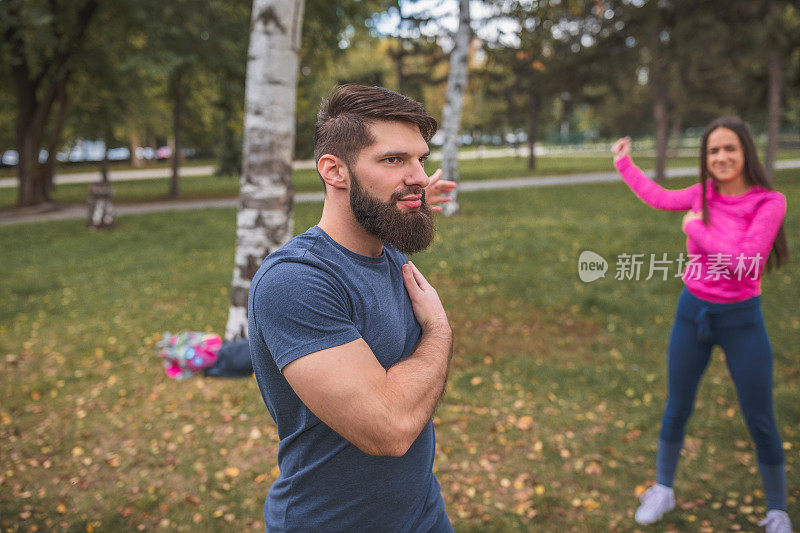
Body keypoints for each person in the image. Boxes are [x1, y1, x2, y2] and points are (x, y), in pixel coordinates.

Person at [248, 84, 458, 532]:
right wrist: (438, 328)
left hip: (423, 512)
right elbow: (390, 427)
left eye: (420, 159)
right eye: (393, 159)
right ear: (334, 171)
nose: (419, 174)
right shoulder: (296, 281)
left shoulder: (387, 251)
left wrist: (408, 196)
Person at [611, 116, 791, 532]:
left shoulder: (769, 202)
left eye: (730, 148)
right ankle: (663, 489)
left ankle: (778, 510)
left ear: (746, 150)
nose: (722, 157)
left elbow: (745, 264)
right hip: (692, 312)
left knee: (760, 416)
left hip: (742, 321)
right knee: (678, 405)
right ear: (705, 158)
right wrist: (625, 164)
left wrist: (696, 228)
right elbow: (658, 197)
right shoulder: (702, 194)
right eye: (713, 150)